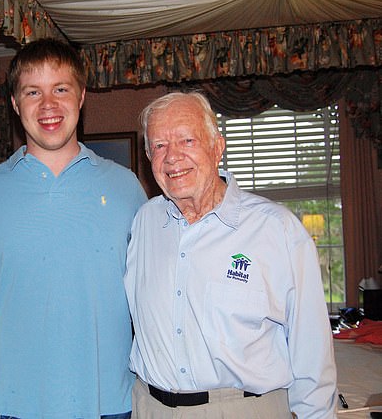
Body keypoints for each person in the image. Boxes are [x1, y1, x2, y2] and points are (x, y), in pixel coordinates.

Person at [0, 38, 148, 418]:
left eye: (61, 89)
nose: (48, 105)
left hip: (109, 402)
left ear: (81, 97)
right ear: (15, 105)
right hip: (8, 404)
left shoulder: (127, 187)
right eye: (33, 92)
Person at [124, 91, 338, 418]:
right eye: (159, 146)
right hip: (150, 407)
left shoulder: (277, 230)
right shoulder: (144, 224)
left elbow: (312, 353)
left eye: (187, 140)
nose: (172, 157)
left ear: (217, 147)